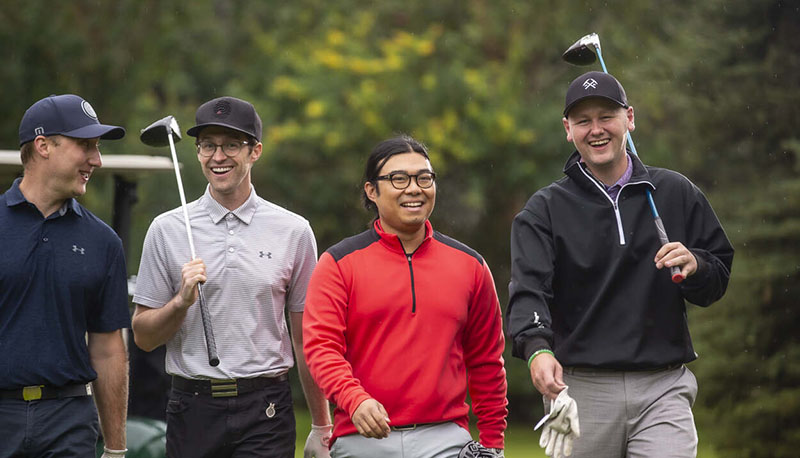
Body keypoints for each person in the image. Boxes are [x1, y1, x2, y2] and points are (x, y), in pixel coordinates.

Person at [507, 71, 735, 458]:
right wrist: (537, 348)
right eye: (583, 121)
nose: (596, 130)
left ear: (630, 118)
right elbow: (529, 289)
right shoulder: (544, 210)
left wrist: (695, 265)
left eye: (606, 117)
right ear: (568, 129)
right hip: (582, 391)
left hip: (663, 386)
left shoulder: (675, 192)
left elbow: (718, 274)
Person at [131, 96, 332, 458]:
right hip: (191, 407)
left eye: (231, 145)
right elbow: (144, 337)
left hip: (266, 407)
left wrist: (321, 425)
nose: (218, 156)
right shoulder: (166, 229)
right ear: (196, 152)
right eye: (208, 145)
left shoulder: (294, 231)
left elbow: (306, 341)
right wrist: (180, 302)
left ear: (255, 151)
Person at [303, 135, 508, 458]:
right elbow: (321, 349)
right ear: (372, 190)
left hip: (446, 441)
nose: (414, 188)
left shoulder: (471, 266)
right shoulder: (338, 263)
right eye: (398, 179)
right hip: (361, 440)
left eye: (424, 178)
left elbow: (486, 363)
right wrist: (354, 398)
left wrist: (493, 444)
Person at [0, 94, 130, 457]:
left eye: (97, 147)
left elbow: (107, 350)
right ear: (43, 146)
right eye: (85, 146)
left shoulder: (103, 241)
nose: (96, 160)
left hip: (69, 420)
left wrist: (116, 449)